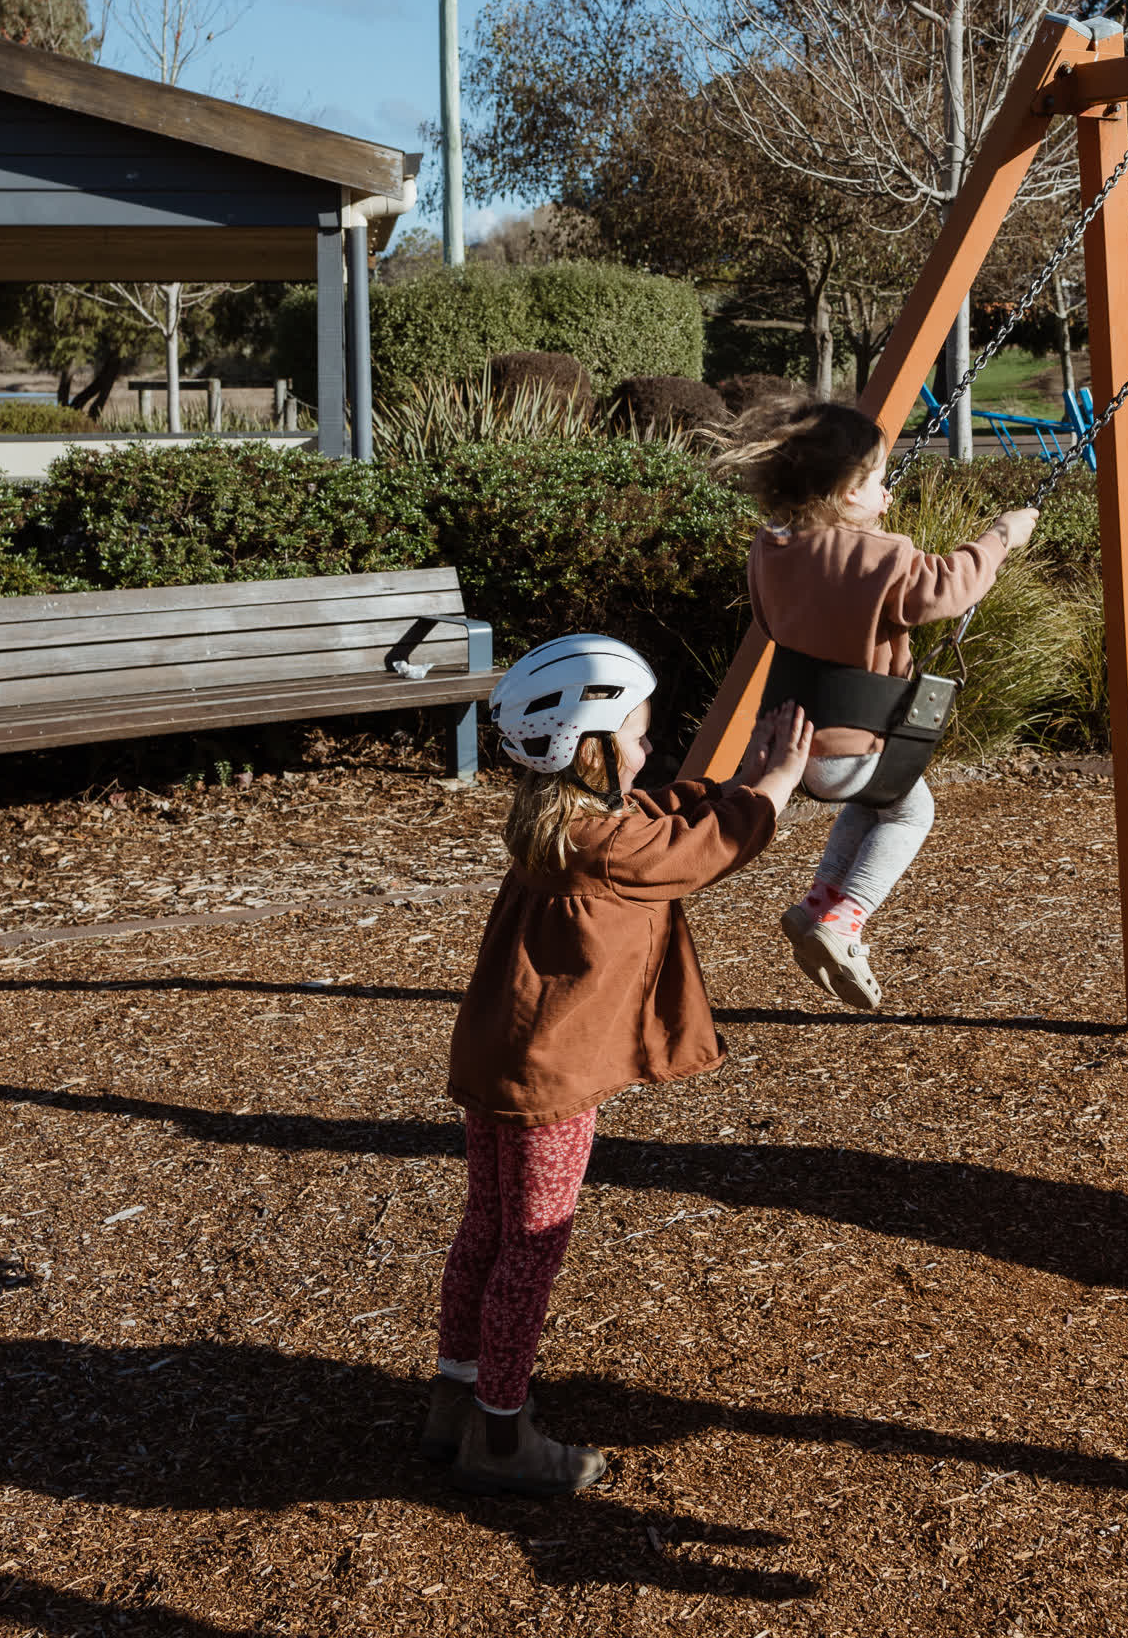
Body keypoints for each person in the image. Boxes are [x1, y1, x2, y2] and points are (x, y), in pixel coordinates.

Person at [420, 632, 812, 1499]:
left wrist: (730, 778)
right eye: (637, 732)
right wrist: (774, 783)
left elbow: (660, 812)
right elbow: (701, 850)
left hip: (498, 1059)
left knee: (485, 1231)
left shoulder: (560, 819)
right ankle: (501, 1436)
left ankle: (453, 1401)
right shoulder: (612, 847)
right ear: (589, 746)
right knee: (532, 1248)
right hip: (551, 1081)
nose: (648, 747)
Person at [718, 399, 1036, 1014]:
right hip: (852, 741)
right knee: (911, 809)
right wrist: (1000, 537)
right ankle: (846, 920)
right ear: (843, 493)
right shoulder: (882, 559)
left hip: (789, 741)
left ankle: (818, 904)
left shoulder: (771, 546)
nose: (887, 496)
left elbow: (769, 618)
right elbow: (946, 589)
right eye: (876, 483)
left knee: (875, 802)